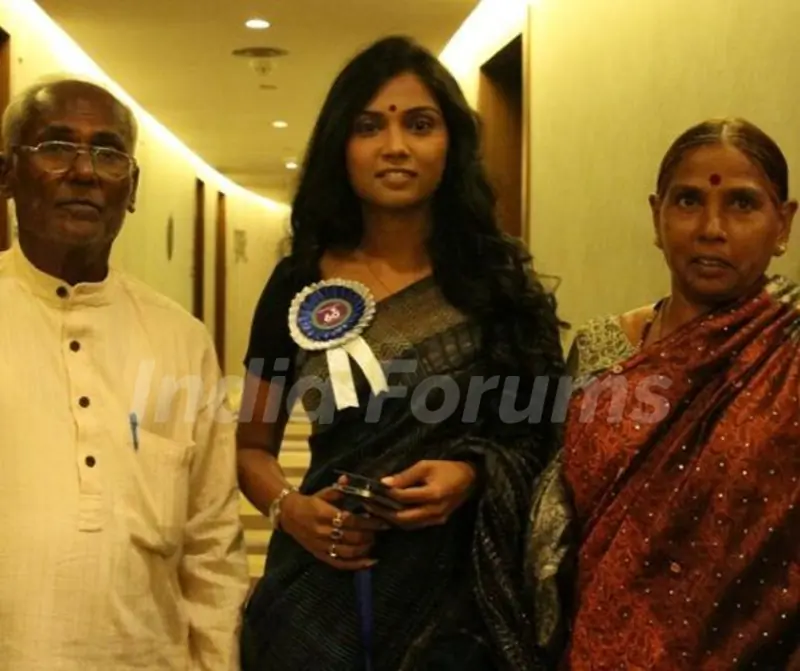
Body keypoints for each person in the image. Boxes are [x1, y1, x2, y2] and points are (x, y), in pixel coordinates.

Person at [236, 36, 566, 671]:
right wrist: (291, 510)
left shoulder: (500, 285)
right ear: (342, 146)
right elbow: (251, 447)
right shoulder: (296, 283)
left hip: (461, 595)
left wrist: (469, 475)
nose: (395, 147)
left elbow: (547, 434)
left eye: (420, 124)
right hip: (319, 584)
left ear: (452, 145)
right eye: (369, 126)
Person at [527, 118, 800, 670]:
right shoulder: (602, 348)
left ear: (783, 225)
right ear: (657, 215)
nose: (711, 228)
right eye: (688, 201)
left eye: (743, 204)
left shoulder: (790, 356)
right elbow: (559, 517)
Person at [0, 78, 249, 670]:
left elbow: (212, 545)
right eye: (56, 148)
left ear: (131, 188)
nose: (84, 171)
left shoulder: (180, 339)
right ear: (8, 175)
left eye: (109, 153)